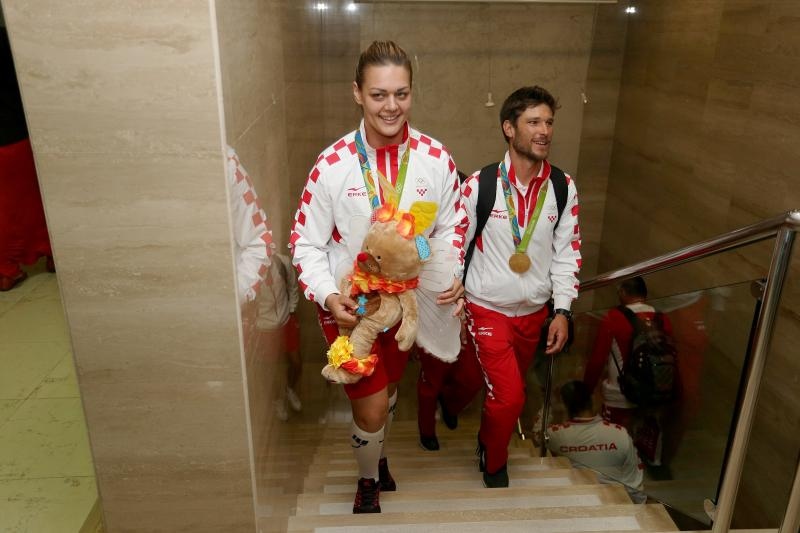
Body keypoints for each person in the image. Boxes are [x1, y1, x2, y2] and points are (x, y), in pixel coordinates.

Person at [290, 41, 465, 514]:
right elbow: (305, 243)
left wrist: (450, 271)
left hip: (405, 304)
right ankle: (369, 477)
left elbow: (452, 223)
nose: (391, 106)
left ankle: (379, 455)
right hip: (350, 308)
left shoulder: (435, 157)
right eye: (379, 95)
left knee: (388, 393)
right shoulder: (331, 165)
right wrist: (328, 297)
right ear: (357, 94)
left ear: (411, 92)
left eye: (401, 94)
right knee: (368, 406)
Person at [461, 86, 581, 488]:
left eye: (548, 122)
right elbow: (452, 245)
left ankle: (485, 437)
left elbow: (567, 254)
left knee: (503, 392)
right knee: (512, 397)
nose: (544, 131)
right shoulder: (480, 185)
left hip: (534, 315)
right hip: (486, 309)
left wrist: (562, 310)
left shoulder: (563, 188)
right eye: (533, 122)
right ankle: (494, 462)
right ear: (509, 129)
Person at [583, 276, 674, 468]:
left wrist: (587, 389)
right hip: (655, 390)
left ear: (623, 293)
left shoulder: (615, 317)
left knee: (613, 439)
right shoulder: (662, 318)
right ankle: (648, 465)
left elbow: (598, 358)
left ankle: (613, 472)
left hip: (620, 391)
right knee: (646, 430)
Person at [0, 26, 53, 290]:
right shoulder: (9, 36)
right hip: (14, 134)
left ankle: (5, 269)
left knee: (6, 207)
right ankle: (55, 255)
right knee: (43, 197)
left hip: (7, 140)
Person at [547, 380, 646, 503]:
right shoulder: (619, 433)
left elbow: (536, 434)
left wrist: (548, 405)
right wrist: (638, 508)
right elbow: (635, 483)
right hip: (617, 506)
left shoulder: (554, 435)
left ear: (565, 405)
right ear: (592, 400)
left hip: (574, 502)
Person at [256, 252, 302, 421]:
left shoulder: (281, 262)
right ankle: (277, 401)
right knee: (271, 368)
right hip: (264, 326)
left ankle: (290, 389)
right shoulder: (250, 270)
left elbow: (292, 286)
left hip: (285, 319)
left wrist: (292, 310)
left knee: (296, 363)